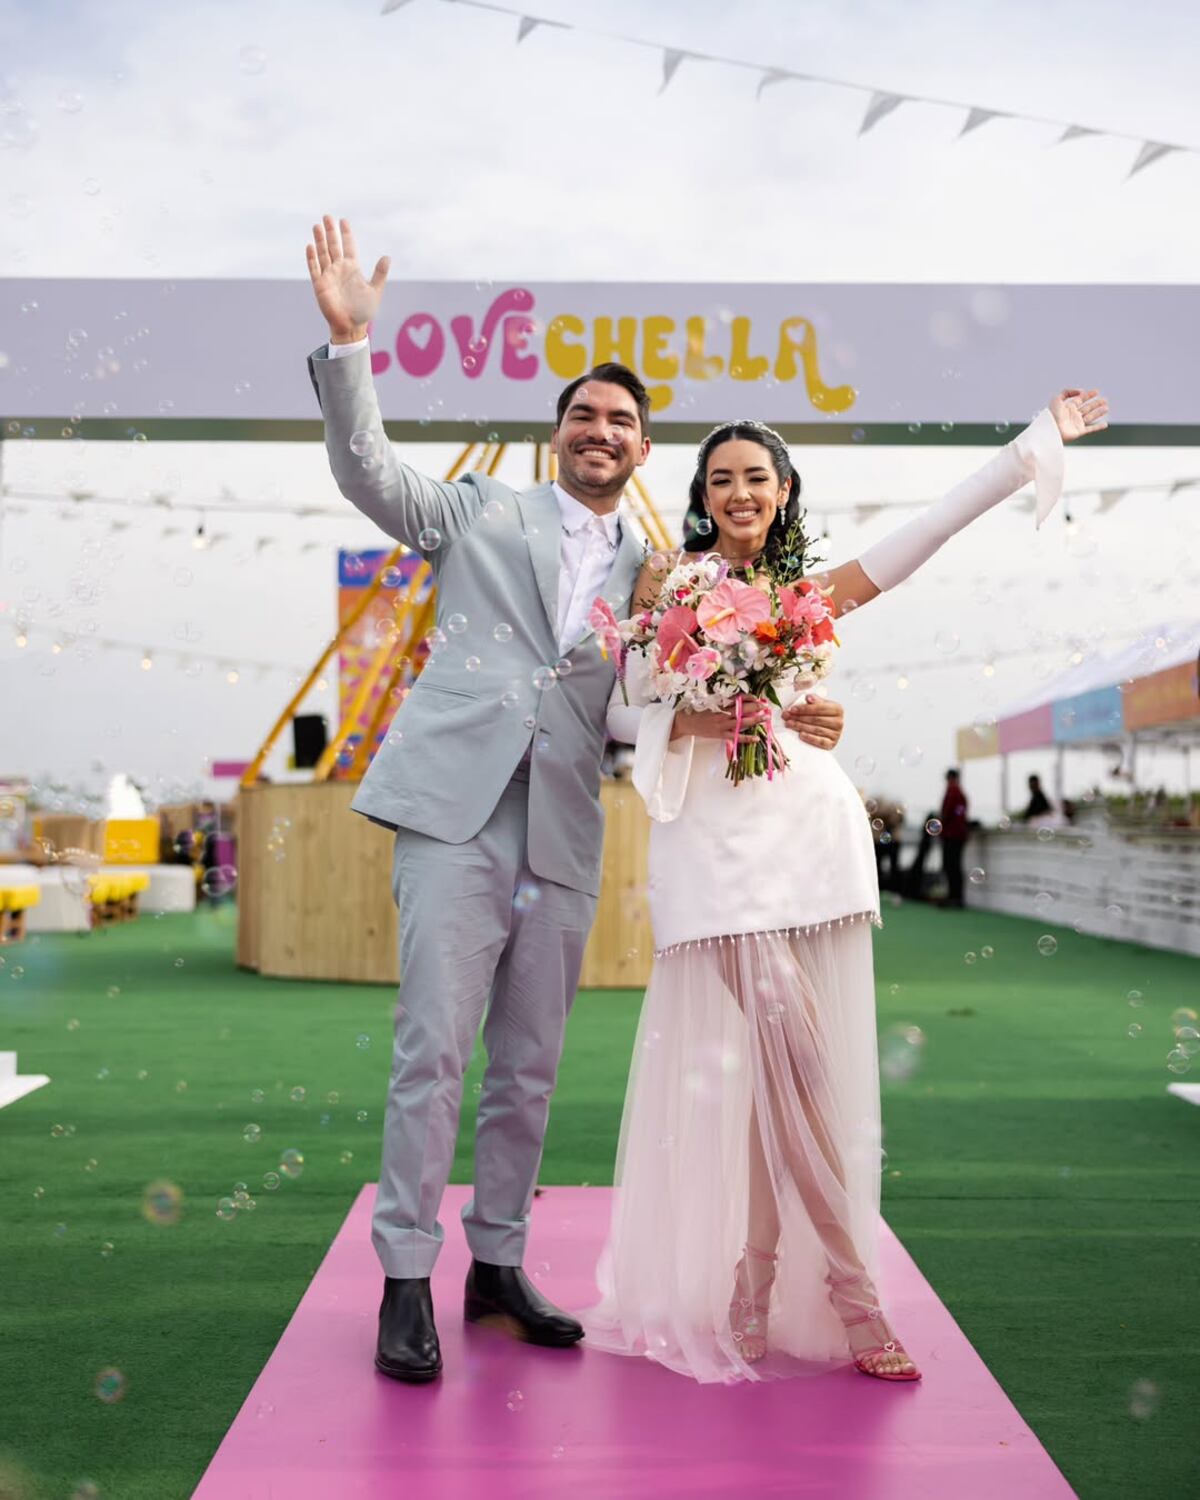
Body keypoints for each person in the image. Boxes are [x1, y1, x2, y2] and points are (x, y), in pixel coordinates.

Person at [303, 217, 850, 1382]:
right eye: (585, 415)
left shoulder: (655, 579)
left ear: (644, 452)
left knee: (531, 1064)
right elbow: (367, 471)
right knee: (433, 1051)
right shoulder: (475, 512)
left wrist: (777, 714)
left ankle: (496, 1266)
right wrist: (352, 344)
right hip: (454, 814)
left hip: (563, 825)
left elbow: (637, 709)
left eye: (623, 422)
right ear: (559, 435)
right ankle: (407, 1278)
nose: (601, 432)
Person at [583, 386, 1108, 1385]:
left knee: (789, 1079)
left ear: (783, 493)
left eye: (757, 478)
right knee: (799, 1066)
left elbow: (921, 538)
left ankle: (755, 1278)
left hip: (809, 838)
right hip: (714, 856)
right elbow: (614, 715)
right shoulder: (670, 593)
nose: (740, 491)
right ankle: (853, 1293)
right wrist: (701, 719)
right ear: (702, 493)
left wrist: (1022, 452)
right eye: (722, 478)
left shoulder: (806, 599)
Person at [939, 769, 969, 908]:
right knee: (954, 866)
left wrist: (941, 822)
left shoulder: (953, 792)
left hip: (952, 835)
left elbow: (948, 812)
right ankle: (955, 897)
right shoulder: (960, 792)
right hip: (957, 834)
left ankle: (954, 897)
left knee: (951, 866)